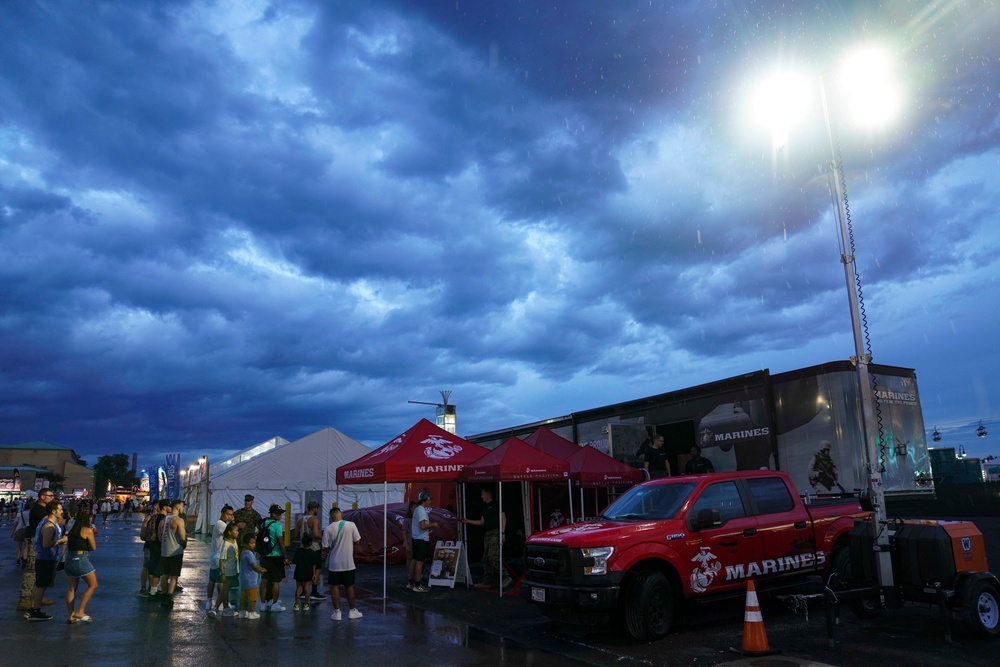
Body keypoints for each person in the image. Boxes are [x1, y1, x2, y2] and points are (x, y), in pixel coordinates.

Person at [460, 487, 509, 590]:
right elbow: (482, 522)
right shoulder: (485, 507)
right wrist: (468, 521)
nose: (481, 496)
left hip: (496, 531)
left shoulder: (496, 504)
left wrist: (502, 533)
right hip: (488, 533)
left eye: (483, 494)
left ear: (488, 494)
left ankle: (506, 576)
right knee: (486, 558)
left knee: (493, 556)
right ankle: (487, 581)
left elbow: (503, 518)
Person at [27, 501, 68, 620]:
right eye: (60, 510)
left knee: (39, 584)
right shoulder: (49, 526)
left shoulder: (47, 522)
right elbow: (46, 544)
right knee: (42, 585)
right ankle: (36, 610)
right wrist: (61, 541)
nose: (62, 511)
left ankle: (33, 608)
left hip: (44, 557)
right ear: (53, 511)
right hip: (46, 557)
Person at [322, 506, 362, 620]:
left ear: (331, 517)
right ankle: (352, 611)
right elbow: (357, 540)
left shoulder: (328, 529)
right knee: (349, 587)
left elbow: (325, 547)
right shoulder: (351, 525)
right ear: (341, 514)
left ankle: (337, 612)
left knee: (335, 587)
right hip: (348, 562)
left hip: (334, 563)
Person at [19, 488, 56, 612]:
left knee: (39, 570)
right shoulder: (37, 510)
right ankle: (25, 598)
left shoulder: (44, 509)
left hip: (40, 541)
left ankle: (37, 596)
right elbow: (54, 520)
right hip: (35, 541)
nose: (52, 498)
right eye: (50, 496)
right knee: (31, 570)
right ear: (42, 497)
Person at [65, 506, 98, 623]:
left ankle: (71, 615)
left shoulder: (72, 527)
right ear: (88, 518)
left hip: (69, 558)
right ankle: (80, 611)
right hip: (81, 559)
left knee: (71, 588)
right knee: (93, 585)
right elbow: (94, 547)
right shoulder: (87, 530)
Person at [259, 504, 289, 612]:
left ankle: (263, 603)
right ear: (273, 514)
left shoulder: (263, 524)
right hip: (275, 556)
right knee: (276, 581)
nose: (281, 515)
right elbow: (280, 542)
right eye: (279, 513)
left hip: (264, 555)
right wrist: (285, 556)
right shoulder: (277, 526)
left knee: (265, 580)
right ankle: (275, 604)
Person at [295, 501, 326, 603]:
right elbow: (316, 534)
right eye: (317, 508)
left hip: (302, 547)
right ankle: (314, 592)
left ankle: (304, 592)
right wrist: (325, 538)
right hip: (314, 547)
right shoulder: (314, 520)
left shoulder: (300, 520)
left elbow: (296, 534)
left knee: (305, 568)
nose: (318, 510)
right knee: (317, 568)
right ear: (314, 508)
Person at [160, 499, 187, 609]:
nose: (183, 509)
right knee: (174, 576)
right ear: (177, 507)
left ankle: (163, 595)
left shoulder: (163, 520)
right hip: (175, 551)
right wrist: (184, 544)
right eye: (182, 507)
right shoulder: (178, 520)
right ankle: (168, 598)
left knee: (165, 575)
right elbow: (182, 537)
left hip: (164, 551)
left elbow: (159, 536)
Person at [206, 504, 235, 610]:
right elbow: (232, 535)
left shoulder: (219, 524)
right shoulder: (221, 524)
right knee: (222, 581)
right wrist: (233, 523)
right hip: (219, 557)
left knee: (213, 579)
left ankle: (209, 601)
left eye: (231, 515)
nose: (230, 517)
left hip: (215, 556)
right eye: (228, 514)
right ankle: (222, 602)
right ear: (222, 513)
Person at [209, 521, 240, 617]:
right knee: (225, 590)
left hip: (234, 571)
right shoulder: (226, 544)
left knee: (224, 591)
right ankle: (226, 609)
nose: (237, 532)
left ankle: (215, 609)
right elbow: (221, 560)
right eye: (236, 531)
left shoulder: (234, 541)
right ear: (230, 532)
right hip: (228, 572)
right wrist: (222, 574)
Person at [409, 492, 437, 593]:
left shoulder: (417, 509)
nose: (430, 501)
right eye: (428, 500)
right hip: (421, 538)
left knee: (415, 559)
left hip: (416, 537)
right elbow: (423, 526)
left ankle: (411, 582)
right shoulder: (421, 510)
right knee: (420, 561)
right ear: (424, 500)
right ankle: (417, 584)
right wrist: (433, 525)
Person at [239, 533, 265, 619]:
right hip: (251, 579)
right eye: (251, 543)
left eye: (254, 543)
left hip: (243, 578)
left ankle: (242, 612)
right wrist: (260, 569)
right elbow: (253, 565)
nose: (254, 545)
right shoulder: (250, 553)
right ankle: (251, 612)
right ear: (246, 544)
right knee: (253, 597)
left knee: (244, 597)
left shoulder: (243, 552)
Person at [292, 533, 318, 611]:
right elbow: (314, 564)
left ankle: (296, 604)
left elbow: (295, 561)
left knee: (298, 587)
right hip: (308, 572)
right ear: (310, 543)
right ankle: (306, 604)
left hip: (299, 571)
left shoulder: (299, 551)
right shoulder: (313, 552)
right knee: (307, 588)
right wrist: (314, 574)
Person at [402, 500, 418, 590]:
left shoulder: (416, 519)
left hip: (416, 541)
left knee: (416, 559)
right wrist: (407, 544)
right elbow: (404, 532)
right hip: (410, 542)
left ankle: (415, 576)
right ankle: (410, 576)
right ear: (411, 509)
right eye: (414, 508)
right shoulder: (407, 520)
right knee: (410, 559)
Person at [12, 502, 29, 567]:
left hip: (18, 530)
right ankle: (24, 559)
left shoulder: (19, 514)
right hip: (26, 530)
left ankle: (18, 560)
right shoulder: (30, 514)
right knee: (26, 546)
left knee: (18, 547)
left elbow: (15, 523)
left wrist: (12, 532)